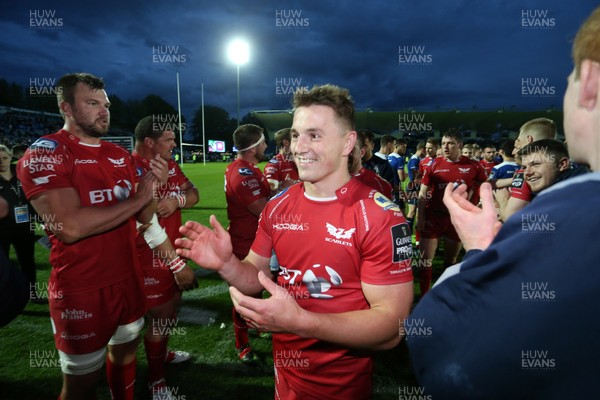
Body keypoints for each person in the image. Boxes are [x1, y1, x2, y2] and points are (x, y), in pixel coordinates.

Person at [406, 7, 600, 398]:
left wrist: (482, 250)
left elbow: (446, 353)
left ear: (589, 83)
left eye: (568, 79)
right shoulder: (433, 165)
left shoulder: (573, 206)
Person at [175, 84, 413, 399]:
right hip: (284, 375)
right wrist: (227, 263)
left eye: (314, 135)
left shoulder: (380, 216)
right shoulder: (278, 205)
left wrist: (301, 322)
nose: (299, 147)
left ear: (347, 143)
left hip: (341, 388)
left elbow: (391, 327)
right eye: (297, 135)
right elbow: (253, 277)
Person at [17, 72, 163, 400]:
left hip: (129, 279)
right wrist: (139, 198)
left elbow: (144, 215)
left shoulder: (119, 155)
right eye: (93, 103)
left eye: (106, 104)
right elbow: (69, 227)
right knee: (81, 385)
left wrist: (151, 189)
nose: (104, 111)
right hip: (82, 290)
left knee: (125, 356)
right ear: (66, 108)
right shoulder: (47, 151)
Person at [132, 116, 199, 395]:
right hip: (150, 256)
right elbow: (142, 218)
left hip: (175, 248)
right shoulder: (129, 167)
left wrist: (177, 200)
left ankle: (162, 353)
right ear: (150, 142)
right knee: (158, 316)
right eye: (169, 139)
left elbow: (193, 193)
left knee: (172, 307)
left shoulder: (170, 164)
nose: (174, 144)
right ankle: (156, 380)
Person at [416, 129, 486, 295]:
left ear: (460, 145)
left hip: (457, 220)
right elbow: (422, 193)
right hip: (434, 217)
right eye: (443, 143)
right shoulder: (434, 164)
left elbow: (486, 186)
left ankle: (445, 295)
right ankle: (425, 296)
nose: (445, 147)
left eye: (450, 143)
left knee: (450, 261)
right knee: (425, 261)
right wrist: (420, 218)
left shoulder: (474, 166)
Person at [224, 123, 271, 363]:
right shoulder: (242, 172)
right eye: (263, 142)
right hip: (245, 242)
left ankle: (258, 324)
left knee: (258, 286)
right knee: (245, 294)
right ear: (253, 147)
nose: (266, 146)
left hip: (254, 239)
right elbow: (262, 209)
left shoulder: (250, 168)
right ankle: (241, 343)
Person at [0, 144, 42, 303]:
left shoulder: (22, 173)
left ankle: (33, 295)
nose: (2, 161)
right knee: (2, 267)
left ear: (11, 157)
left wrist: (40, 221)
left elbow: (32, 199)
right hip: (2, 229)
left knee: (28, 263)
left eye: (5, 157)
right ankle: (4, 298)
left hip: (24, 227)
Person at [264, 127, 299, 197]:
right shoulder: (273, 165)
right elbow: (269, 196)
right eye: (295, 140)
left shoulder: (298, 161)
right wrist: (283, 187)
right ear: (286, 142)